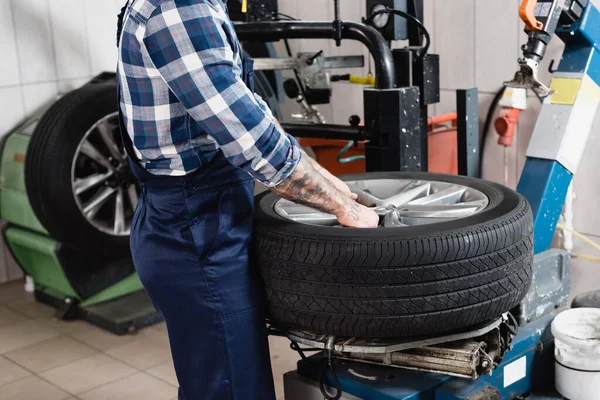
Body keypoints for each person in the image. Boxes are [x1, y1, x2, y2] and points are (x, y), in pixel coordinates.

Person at [116, 0, 379, 398]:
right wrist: (345, 209)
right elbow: (251, 139)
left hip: (201, 219)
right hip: (194, 230)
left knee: (224, 381)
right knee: (232, 388)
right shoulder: (179, 8)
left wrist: (339, 188)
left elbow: (249, 111)